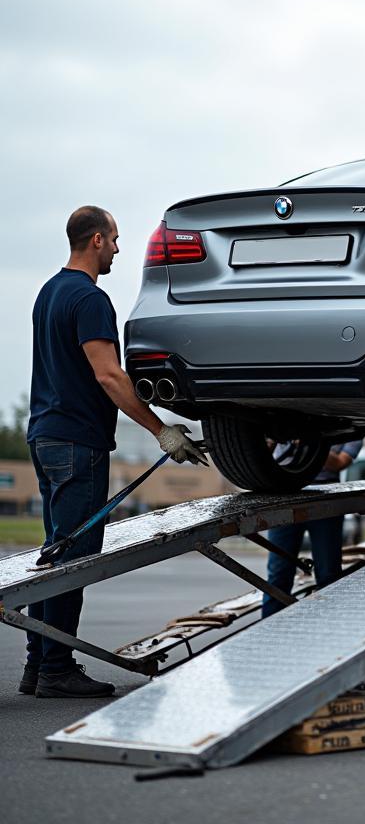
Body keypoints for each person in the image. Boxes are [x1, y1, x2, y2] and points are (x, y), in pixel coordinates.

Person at [23, 206, 206, 699]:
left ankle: (38, 663)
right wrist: (161, 430)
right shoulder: (89, 298)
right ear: (98, 239)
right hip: (77, 440)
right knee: (72, 559)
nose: (120, 251)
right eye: (117, 240)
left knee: (55, 551)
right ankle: (56, 667)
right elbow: (109, 375)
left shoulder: (50, 292)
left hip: (44, 433)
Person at [261, 439, 363, 617]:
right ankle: (267, 634)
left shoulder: (350, 424)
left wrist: (311, 445)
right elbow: (255, 454)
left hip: (326, 498)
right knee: (278, 574)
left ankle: (329, 629)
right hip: (284, 495)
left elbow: (340, 463)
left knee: (328, 575)